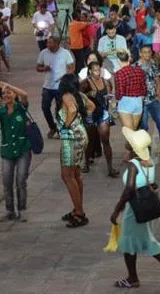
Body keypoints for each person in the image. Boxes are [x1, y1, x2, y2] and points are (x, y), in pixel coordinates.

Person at [109, 128, 160, 289]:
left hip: (134, 210)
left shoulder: (134, 165)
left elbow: (129, 189)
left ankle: (133, 279)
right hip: (145, 208)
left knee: (128, 244)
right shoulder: (148, 161)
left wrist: (116, 210)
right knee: (147, 241)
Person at [0, 81, 32, 222]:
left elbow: (25, 95)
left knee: (20, 180)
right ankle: (9, 210)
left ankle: (22, 209)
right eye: (4, 93)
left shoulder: (21, 108)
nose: (6, 94)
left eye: (9, 93)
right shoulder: (1, 111)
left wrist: (7, 85)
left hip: (23, 149)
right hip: (7, 150)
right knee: (7, 181)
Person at [57, 74, 95, 228]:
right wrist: (82, 119)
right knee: (76, 174)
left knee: (67, 176)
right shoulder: (79, 95)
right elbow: (92, 106)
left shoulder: (66, 96)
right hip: (81, 135)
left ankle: (79, 213)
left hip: (70, 138)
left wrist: (66, 125)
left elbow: (71, 110)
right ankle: (77, 208)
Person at [82, 60, 119, 176]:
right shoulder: (85, 82)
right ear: (90, 71)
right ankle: (86, 163)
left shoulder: (105, 81)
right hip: (91, 114)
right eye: (95, 70)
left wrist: (110, 100)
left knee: (106, 141)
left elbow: (110, 93)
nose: (97, 73)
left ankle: (110, 168)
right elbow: (78, 95)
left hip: (102, 113)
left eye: (99, 70)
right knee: (90, 141)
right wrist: (88, 95)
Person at [137, 44, 160, 156]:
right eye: (144, 52)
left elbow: (158, 81)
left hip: (153, 101)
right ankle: (146, 149)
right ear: (140, 53)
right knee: (144, 126)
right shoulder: (136, 66)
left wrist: (159, 95)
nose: (147, 54)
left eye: (149, 52)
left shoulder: (153, 64)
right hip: (141, 102)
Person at [36, 36, 75, 139]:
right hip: (47, 86)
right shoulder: (44, 53)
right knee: (45, 107)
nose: (48, 45)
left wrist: (66, 77)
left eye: (50, 43)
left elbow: (71, 67)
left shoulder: (65, 53)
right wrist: (44, 68)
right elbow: (38, 67)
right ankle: (52, 127)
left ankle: (60, 129)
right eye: (47, 43)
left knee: (60, 109)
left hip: (60, 87)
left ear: (57, 44)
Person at [113, 51, 146, 130]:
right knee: (133, 130)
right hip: (138, 101)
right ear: (129, 58)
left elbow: (120, 93)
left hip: (126, 102)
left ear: (118, 60)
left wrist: (115, 100)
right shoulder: (139, 70)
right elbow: (144, 89)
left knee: (129, 133)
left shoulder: (119, 73)